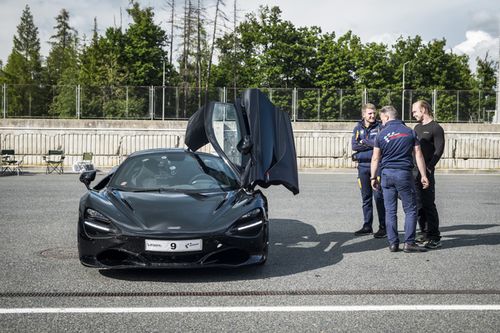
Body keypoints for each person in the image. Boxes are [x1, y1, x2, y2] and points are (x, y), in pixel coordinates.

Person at [370, 105, 429, 253]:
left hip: (386, 175)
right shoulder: (410, 132)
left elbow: (375, 158)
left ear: (388, 117)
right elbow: (418, 154)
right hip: (403, 174)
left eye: (382, 118)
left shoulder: (380, 134)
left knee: (390, 211)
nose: (381, 121)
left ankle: (393, 243)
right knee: (410, 209)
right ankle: (409, 243)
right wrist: (423, 175)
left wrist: (373, 177)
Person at [412, 100, 445, 249]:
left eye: (415, 111)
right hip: (414, 172)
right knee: (418, 204)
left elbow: (439, 150)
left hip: (427, 172)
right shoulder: (416, 127)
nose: (413, 115)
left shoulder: (436, 128)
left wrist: (430, 168)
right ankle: (424, 232)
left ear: (424, 109)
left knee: (428, 204)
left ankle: (435, 236)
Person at [351, 103, 386, 238]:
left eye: (374, 113)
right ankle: (367, 226)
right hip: (362, 167)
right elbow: (354, 145)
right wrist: (370, 143)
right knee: (366, 198)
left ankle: (383, 227)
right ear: (363, 114)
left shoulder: (380, 127)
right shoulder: (357, 128)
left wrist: (364, 142)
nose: (372, 115)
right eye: (370, 113)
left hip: (377, 167)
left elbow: (380, 144)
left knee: (379, 198)